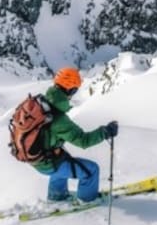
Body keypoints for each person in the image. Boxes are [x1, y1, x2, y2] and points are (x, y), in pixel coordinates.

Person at [32, 66, 119, 202]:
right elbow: (83, 141)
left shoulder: (42, 104)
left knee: (62, 159)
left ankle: (57, 196)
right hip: (47, 163)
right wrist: (105, 132)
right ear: (70, 89)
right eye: (75, 89)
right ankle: (87, 199)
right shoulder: (58, 118)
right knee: (91, 170)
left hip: (38, 159)